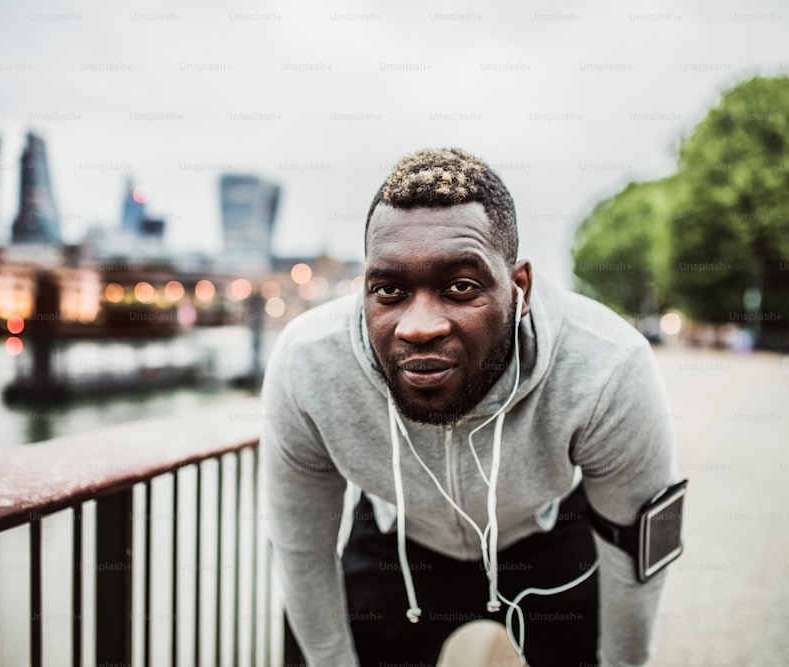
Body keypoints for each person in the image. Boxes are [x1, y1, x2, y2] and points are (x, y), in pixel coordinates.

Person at [262, 148, 681, 667]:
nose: (418, 326)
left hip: (545, 534)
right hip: (401, 541)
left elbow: (638, 554)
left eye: (460, 286)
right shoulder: (308, 364)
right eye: (389, 289)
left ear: (518, 288)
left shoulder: (607, 365)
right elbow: (300, 546)